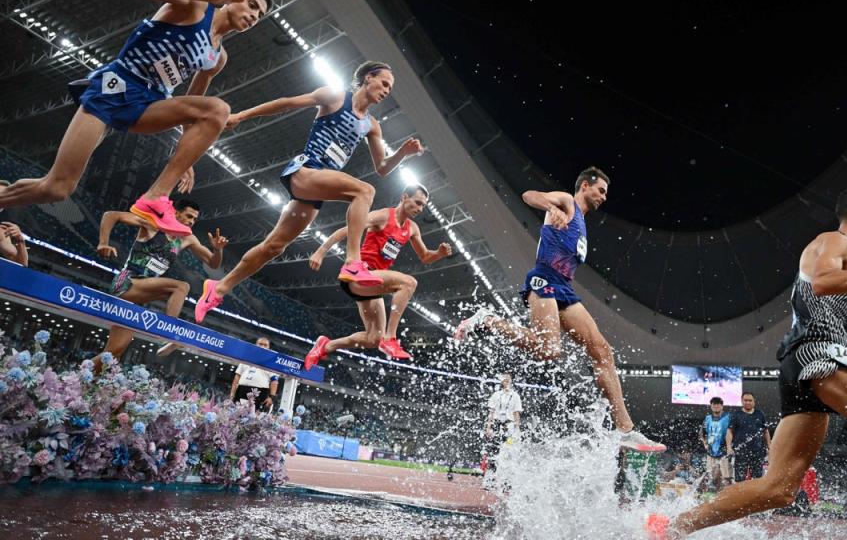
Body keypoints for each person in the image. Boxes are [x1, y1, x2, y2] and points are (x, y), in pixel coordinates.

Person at [658, 185, 847, 540]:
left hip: (805, 362)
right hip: (820, 359)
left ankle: (673, 528)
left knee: (779, 489)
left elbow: (834, 327)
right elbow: (823, 283)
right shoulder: (834, 241)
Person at [0, 0, 272, 237]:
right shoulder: (197, 7)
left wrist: (187, 155)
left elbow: (195, 100)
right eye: (252, 5)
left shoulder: (217, 57)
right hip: (116, 86)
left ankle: (155, 197)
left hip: (151, 102)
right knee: (57, 188)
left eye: (260, 16)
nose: (253, 17)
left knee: (217, 109)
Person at [193, 61, 424, 323]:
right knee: (364, 191)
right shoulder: (335, 97)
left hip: (317, 188)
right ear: (368, 78)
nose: (386, 91)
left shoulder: (372, 125)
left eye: (390, 89)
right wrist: (240, 116)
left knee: (274, 247)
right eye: (384, 83)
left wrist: (402, 154)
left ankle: (219, 288)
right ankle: (353, 261)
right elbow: (286, 102)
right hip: (307, 170)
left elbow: (382, 167)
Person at [455, 167, 664, 453]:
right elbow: (529, 195)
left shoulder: (583, 226)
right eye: (601, 190)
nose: (604, 197)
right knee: (549, 350)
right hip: (543, 279)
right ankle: (487, 319)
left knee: (602, 351)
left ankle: (625, 430)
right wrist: (551, 206)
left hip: (564, 288)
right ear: (586, 186)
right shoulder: (567, 200)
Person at [303, 183, 453, 365]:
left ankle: (326, 346)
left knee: (373, 339)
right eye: (417, 202)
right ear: (404, 197)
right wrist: (321, 251)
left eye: (423, 206)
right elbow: (349, 228)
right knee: (409, 283)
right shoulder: (383, 216)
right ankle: (391, 338)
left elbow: (425, 257)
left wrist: (439, 254)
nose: (420, 209)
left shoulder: (412, 228)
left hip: (374, 284)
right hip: (358, 276)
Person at [92, 198, 228, 372]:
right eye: (188, 216)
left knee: (112, 354)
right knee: (181, 287)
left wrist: (217, 250)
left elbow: (213, 263)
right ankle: (168, 336)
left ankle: (77, 379)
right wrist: (103, 242)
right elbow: (111, 215)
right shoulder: (154, 224)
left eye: (194, 219)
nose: (191, 222)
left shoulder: (187, 238)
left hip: (139, 298)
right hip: (126, 283)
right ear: (176, 212)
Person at [725, 392, 770, 482]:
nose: (748, 402)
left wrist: (769, 446)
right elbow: (729, 432)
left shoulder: (760, 414)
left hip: (757, 452)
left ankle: (756, 496)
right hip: (740, 452)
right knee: (739, 480)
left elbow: (766, 431)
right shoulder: (736, 414)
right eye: (745, 400)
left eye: (750, 400)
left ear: (754, 402)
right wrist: (729, 447)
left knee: (758, 479)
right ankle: (740, 496)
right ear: (742, 401)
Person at [230, 336, 279, 412]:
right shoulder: (246, 358)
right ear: (255, 345)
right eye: (260, 344)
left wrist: (271, 397)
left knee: (254, 418)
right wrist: (232, 394)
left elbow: (274, 381)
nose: (262, 346)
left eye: (265, 345)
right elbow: (237, 377)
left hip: (260, 393)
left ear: (269, 348)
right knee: (236, 414)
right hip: (241, 390)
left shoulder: (272, 362)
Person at [700, 397, 732, 491]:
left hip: (724, 453)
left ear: (722, 406)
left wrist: (730, 446)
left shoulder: (728, 417)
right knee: (711, 477)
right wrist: (705, 444)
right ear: (711, 406)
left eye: (718, 404)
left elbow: (733, 432)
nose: (716, 406)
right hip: (711, 453)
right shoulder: (707, 418)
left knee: (727, 478)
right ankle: (715, 498)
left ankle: (728, 498)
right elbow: (702, 434)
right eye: (714, 404)